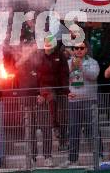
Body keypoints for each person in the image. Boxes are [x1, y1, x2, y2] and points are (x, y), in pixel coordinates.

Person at [62, 42, 102, 167]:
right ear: (73, 49)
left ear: (86, 49)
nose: (78, 50)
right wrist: (67, 92)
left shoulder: (92, 62)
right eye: (76, 48)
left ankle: (99, 157)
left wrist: (81, 67)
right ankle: (73, 159)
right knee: (74, 130)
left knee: (93, 129)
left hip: (89, 100)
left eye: (81, 48)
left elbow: (94, 75)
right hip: (74, 101)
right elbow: (63, 80)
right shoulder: (68, 63)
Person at [35, 35, 70, 166]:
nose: (48, 47)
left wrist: (65, 91)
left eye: (51, 44)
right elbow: (35, 76)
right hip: (44, 94)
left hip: (59, 93)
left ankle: (67, 150)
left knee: (64, 119)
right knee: (46, 127)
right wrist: (37, 93)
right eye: (46, 44)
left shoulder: (60, 56)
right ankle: (47, 156)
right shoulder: (39, 56)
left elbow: (64, 73)